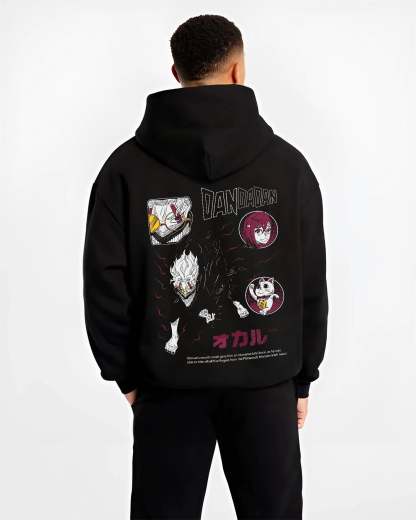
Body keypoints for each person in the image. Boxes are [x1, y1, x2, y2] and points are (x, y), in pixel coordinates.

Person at [82, 14, 328, 520]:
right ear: (239, 70)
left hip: (168, 384)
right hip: (265, 381)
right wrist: (302, 377)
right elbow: (309, 279)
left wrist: (125, 375)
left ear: (176, 73)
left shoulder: (124, 169)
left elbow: (104, 281)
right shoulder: (288, 166)